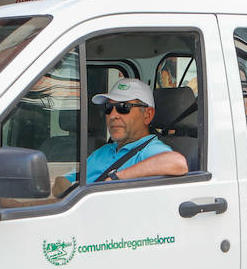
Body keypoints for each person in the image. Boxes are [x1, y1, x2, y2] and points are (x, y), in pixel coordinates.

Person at [55, 78, 187, 193]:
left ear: (147, 115)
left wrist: (116, 178)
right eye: (108, 107)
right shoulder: (102, 151)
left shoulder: (149, 150)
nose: (112, 115)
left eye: (124, 107)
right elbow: (62, 182)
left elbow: (177, 163)